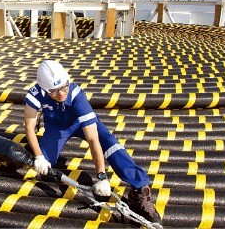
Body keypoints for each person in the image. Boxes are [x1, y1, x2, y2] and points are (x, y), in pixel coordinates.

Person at [24, 60, 161, 224]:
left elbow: (93, 139)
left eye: (64, 87)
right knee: (45, 163)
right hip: (56, 127)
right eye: (54, 91)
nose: (61, 93)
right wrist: (39, 155)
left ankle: (139, 189)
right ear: (44, 89)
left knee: (110, 143)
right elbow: (29, 126)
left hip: (79, 123)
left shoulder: (76, 95)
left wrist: (102, 176)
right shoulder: (34, 94)